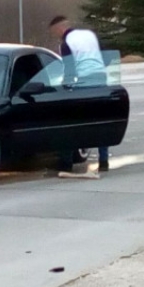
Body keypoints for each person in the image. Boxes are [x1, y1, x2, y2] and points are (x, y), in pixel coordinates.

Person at [48, 15, 111, 173]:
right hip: (100, 79)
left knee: (73, 122)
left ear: (59, 28)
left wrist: (65, 87)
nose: (55, 34)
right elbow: (106, 57)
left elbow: (70, 70)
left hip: (83, 83)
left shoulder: (66, 43)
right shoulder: (90, 35)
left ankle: (66, 163)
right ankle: (104, 161)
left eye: (54, 31)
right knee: (99, 121)